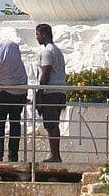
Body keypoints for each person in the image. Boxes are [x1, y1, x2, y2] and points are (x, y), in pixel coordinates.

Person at [35, 23, 67, 163]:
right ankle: (55, 155)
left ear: (43, 34)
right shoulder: (57, 50)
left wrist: (39, 95)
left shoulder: (47, 51)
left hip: (51, 92)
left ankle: (55, 155)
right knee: (53, 124)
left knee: (50, 124)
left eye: (37, 34)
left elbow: (45, 74)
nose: (36, 38)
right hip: (60, 91)